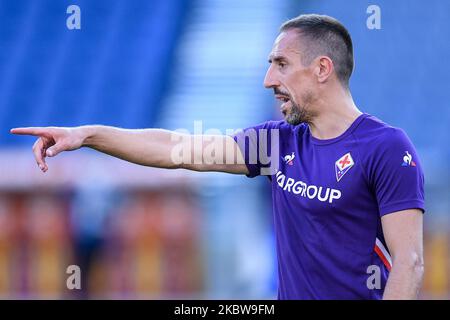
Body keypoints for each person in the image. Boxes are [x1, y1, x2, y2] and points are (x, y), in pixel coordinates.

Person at [11, 14, 425, 300]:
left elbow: (409, 263)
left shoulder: (385, 147)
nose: (268, 81)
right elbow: (175, 150)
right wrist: (89, 134)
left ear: (321, 68)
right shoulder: (275, 143)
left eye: (281, 65)